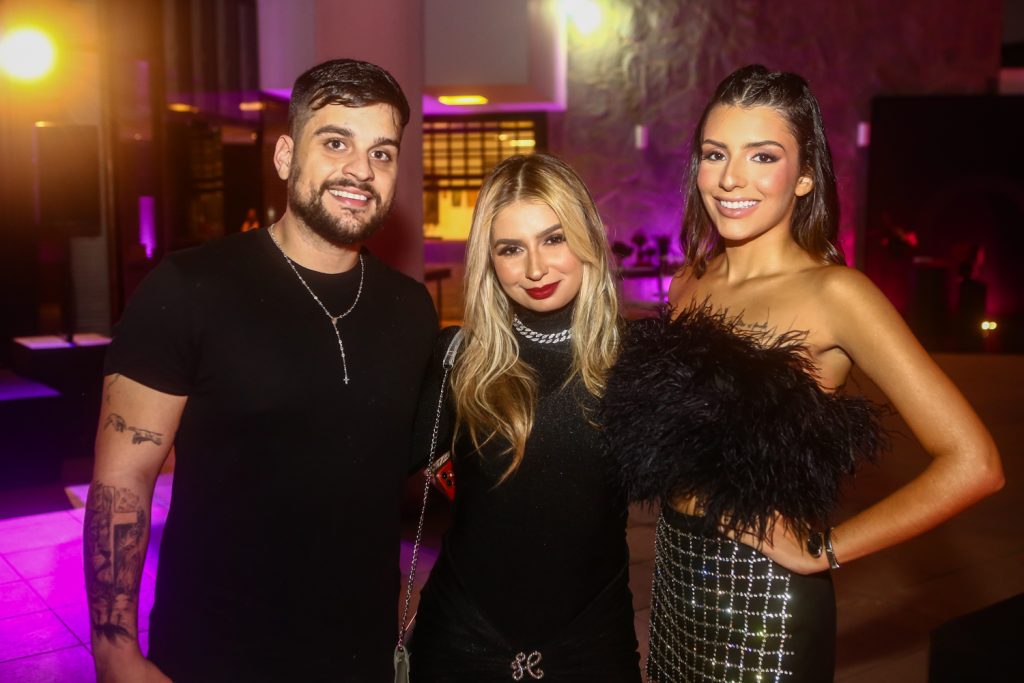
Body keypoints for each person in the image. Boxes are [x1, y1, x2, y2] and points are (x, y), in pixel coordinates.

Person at [602, 65, 1004, 682]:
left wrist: (827, 549)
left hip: (765, 600)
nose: (731, 178)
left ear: (805, 175)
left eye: (763, 156)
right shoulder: (690, 282)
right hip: (675, 583)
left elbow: (973, 463)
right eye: (715, 154)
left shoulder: (838, 294)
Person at [84, 58, 437, 682]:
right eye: (336, 143)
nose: (361, 170)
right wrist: (115, 649)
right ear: (284, 156)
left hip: (360, 653)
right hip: (214, 651)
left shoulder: (411, 308)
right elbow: (123, 480)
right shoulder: (189, 288)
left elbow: (420, 466)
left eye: (382, 154)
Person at [406, 153, 642, 681]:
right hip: (460, 644)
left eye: (553, 239)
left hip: (593, 646)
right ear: (489, 262)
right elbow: (360, 475)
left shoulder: (640, 362)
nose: (535, 268)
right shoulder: (457, 361)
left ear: (587, 238)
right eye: (511, 249)